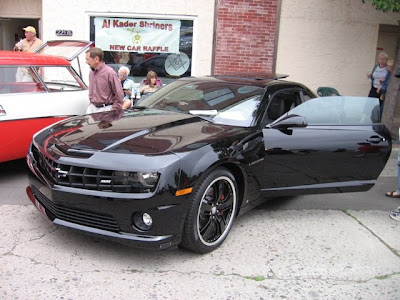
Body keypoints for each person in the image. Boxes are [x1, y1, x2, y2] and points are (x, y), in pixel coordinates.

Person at [85, 47, 124, 114]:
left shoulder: (110, 73)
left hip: (106, 109)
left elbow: (119, 94)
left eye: (88, 60)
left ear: (96, 59)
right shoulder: (91, 73)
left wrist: (114, 110)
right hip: (92, 108)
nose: (86, 62)